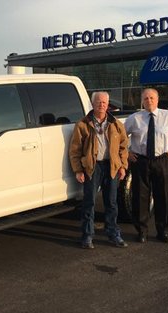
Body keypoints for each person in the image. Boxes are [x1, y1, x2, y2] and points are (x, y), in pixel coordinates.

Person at [124, 88, 168, 243]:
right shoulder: (135, 118)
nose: (149, 101)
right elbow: (120, 137)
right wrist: (127, 153)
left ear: (157, 100)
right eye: (145, 98)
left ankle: (163, 231)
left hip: (162, 161)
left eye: (152, 98)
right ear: (142, 101)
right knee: (140, 197)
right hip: (141, 161)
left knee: (163, 197)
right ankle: (142, 231)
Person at [69, 91, 129, 249]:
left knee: (111, 202)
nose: (101, 105)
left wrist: (123, 165)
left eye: (104, 102)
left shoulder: (116, 124)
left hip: (111, 167)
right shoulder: (82, 124)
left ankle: (113, 233)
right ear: (92, 103)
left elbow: (123, 146)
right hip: (92, 167)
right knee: (89, 203)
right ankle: (87, 236)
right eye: (98, 102)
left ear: (108, 105)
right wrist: (78, 170)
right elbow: (75, 150)